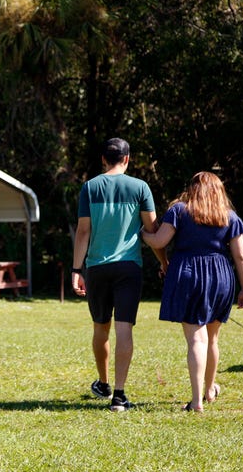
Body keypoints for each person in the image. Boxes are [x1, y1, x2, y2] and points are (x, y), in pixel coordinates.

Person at [141, 171, 243, 412]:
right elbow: (240, 256)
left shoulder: (179, 211)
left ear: (192, 189)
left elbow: (160, 241)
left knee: (196, 339)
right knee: (212, 338)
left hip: (188, 273)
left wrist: (144, 234)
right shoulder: (229, 216)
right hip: (221, 276)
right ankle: (209, 390)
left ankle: (197, 400)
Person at [72, 137, 167, 412]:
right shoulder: (140, 188)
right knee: (124, 328)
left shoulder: (90, 187)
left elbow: (83, 231)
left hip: (97, 268)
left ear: (104, 159)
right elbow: (153, 231)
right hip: (129, 268)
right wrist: (164, 261)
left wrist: (76, 270)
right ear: (127, 159)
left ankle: (102, 382)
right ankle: (119, 395)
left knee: (101, 327)